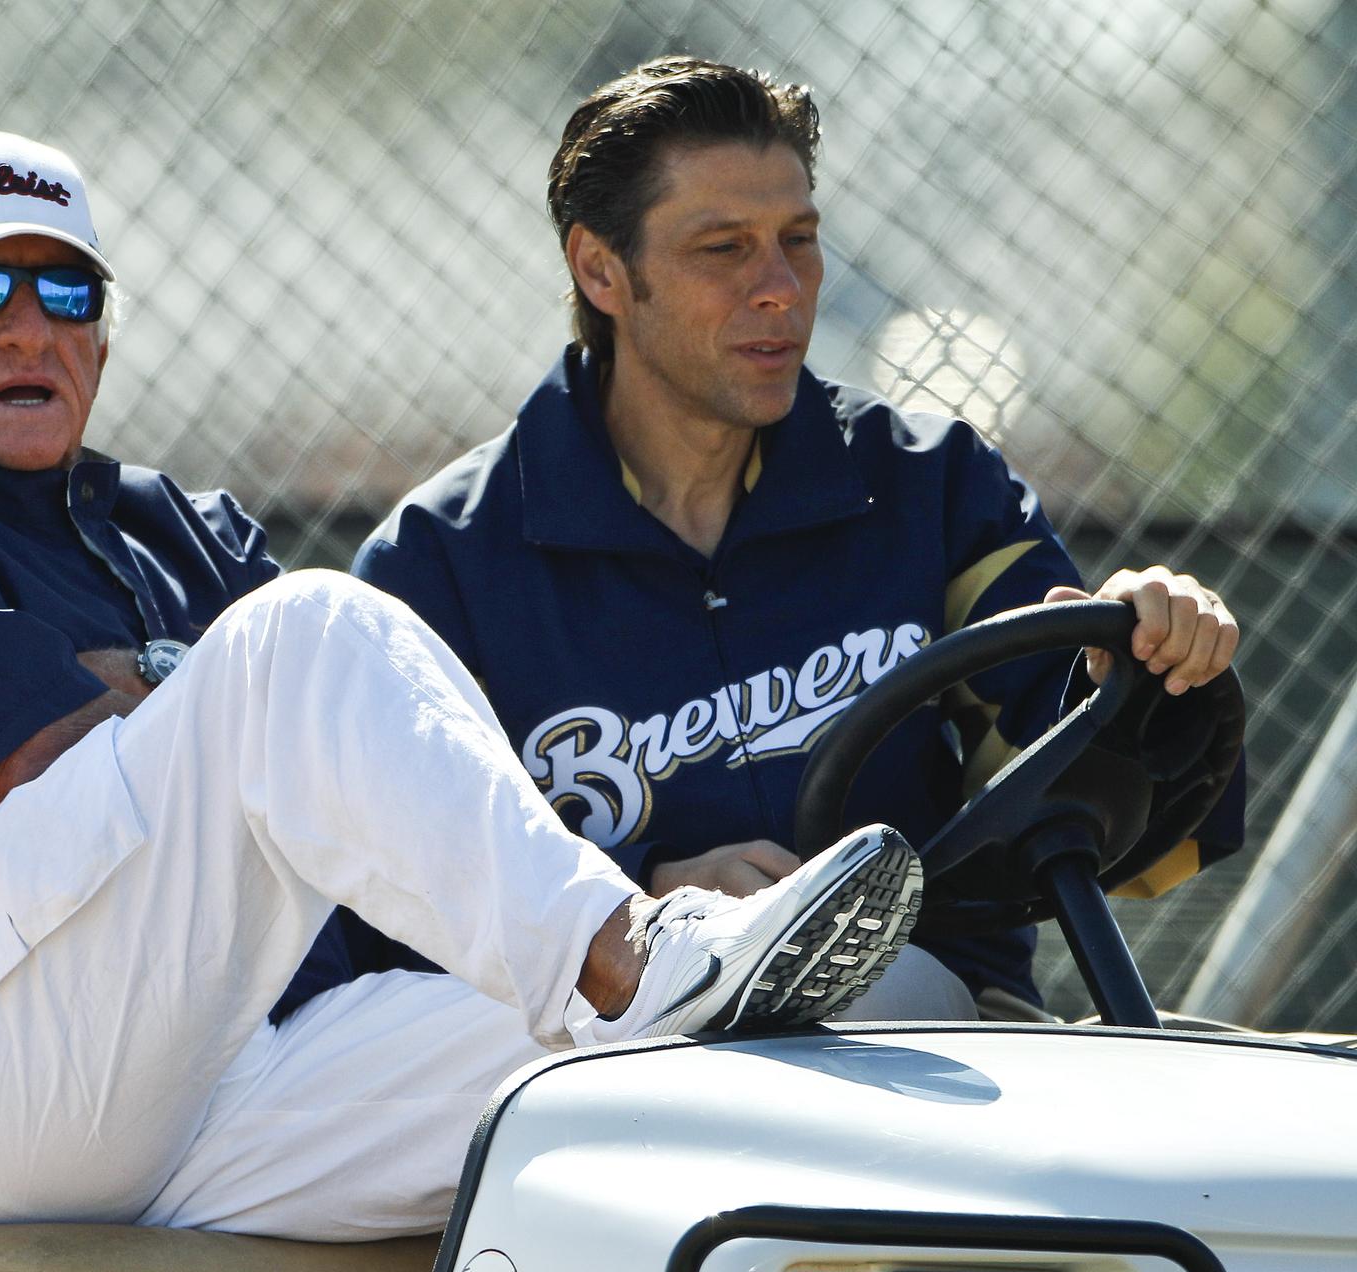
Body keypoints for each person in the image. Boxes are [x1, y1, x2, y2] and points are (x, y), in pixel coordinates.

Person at [0, 130, 926, 1244]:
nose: (28, 327)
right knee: (310, 630)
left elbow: (349, 810)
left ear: (101, 337)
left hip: (221, 1061)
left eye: (68, 290)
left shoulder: (183, 531)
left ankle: (652, 979)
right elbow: (37, 762)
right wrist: (221, 693)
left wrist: (174, 694)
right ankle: (630, 952)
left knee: (685, 1070)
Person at [353, 59, 1244, 1020]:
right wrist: (641, 903)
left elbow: (1096, 795)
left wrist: (1150, 661)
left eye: (799, 239)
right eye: (723, 249)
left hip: (936, 1034)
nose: (780, 288)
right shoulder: (438, 566)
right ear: (601, 269)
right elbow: (382, 913)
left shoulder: (928, 483)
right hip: (615, 1059)